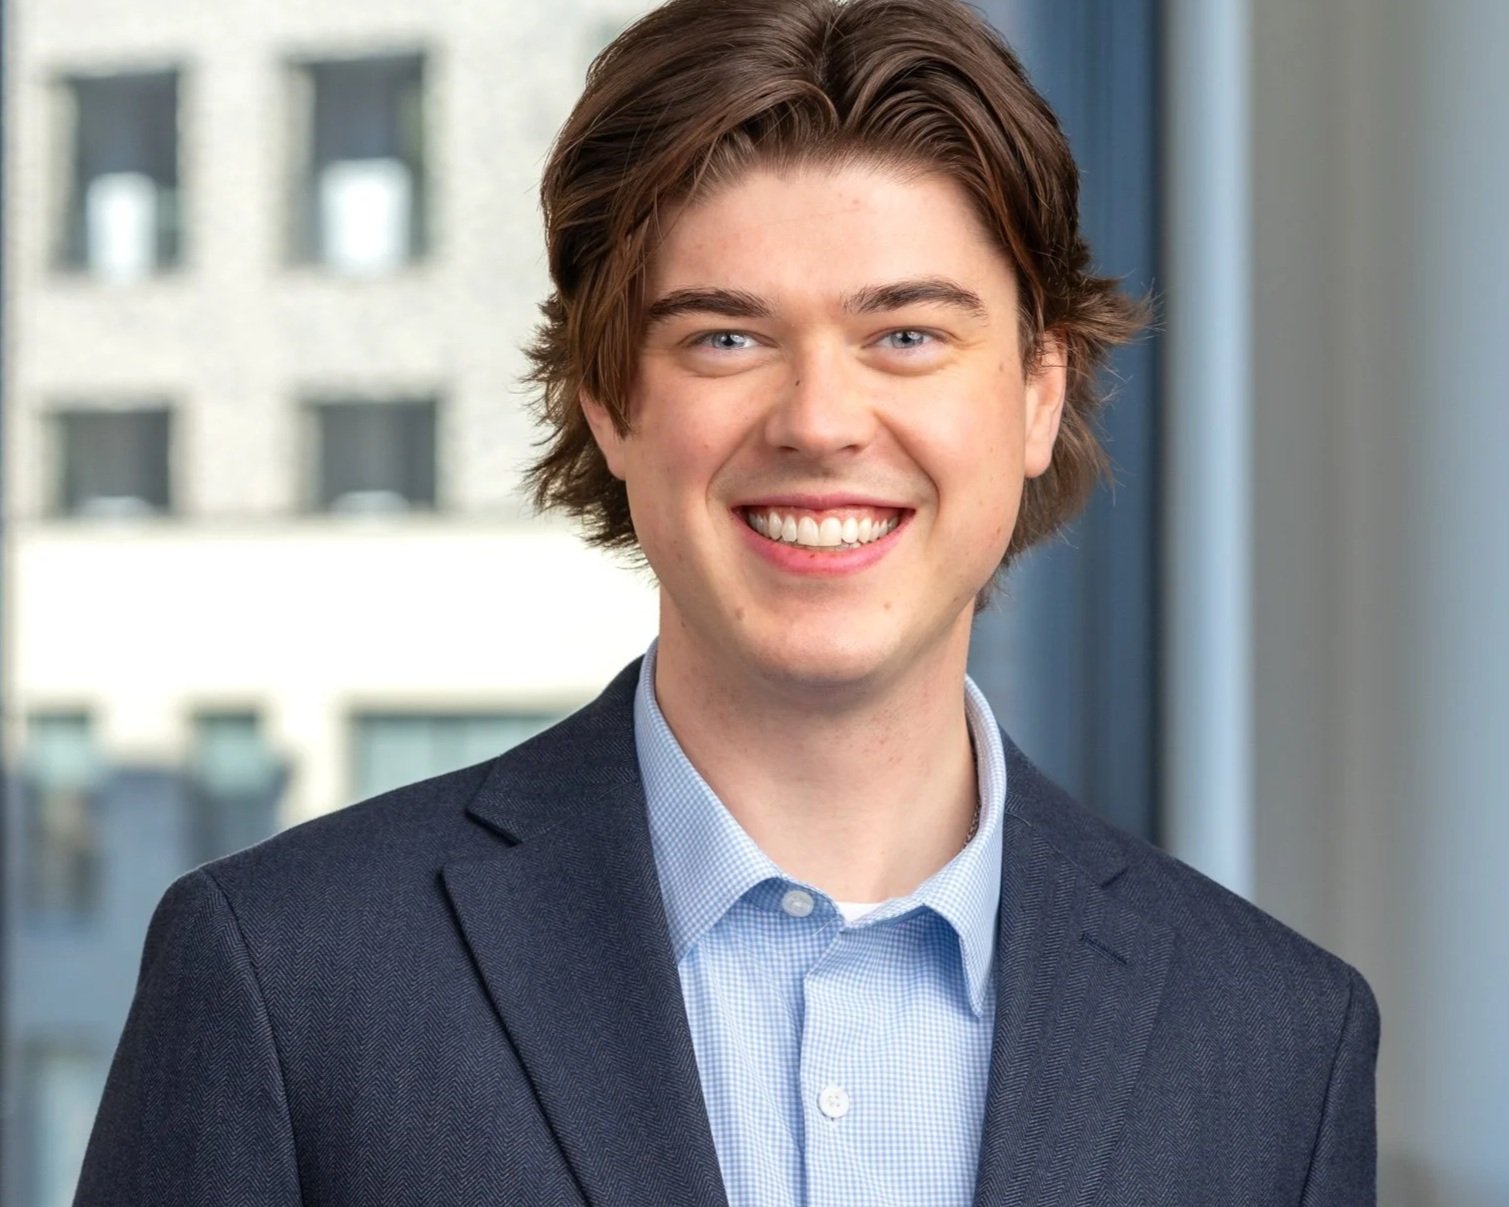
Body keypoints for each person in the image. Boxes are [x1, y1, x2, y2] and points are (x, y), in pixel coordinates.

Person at [77, 0, 1379, 1203]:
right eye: (725, 338)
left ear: (1040, 391)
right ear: (608, 402)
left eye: (907, 335)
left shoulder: (1273, 1040)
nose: (818, 422)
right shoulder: (284, 976)